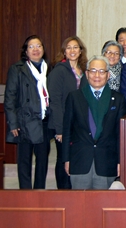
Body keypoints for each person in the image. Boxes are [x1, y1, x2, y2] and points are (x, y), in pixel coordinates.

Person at [62, 55, 126, 189]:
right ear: (86, 74)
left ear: (108, 75)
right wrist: (66, 159)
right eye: (93, 71)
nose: (97, 75)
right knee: (80, 204)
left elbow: (120, 134)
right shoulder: (75, 97)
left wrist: (120, 161)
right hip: (80, 160)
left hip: (106, 161)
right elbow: (67, 130)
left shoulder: (118, 99)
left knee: (103, 204)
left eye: (102, 71)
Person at [4, 35, 52, 189]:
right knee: (24, 160)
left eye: (38, 46)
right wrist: (13, 123)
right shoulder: (17, 69)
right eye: (31, 46)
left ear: (43, 49)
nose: (36, 49)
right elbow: (10, 98)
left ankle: (39, 191)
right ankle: (25, 193)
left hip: (44, 121)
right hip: (25, 121)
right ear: (26, 51)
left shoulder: (49, 69)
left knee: (42, 160)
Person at [48, 36, 88, 189]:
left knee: (76, 157)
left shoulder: (84, 70)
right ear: (64, 52)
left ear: (80, 51)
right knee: (63, 159)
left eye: (75, 47)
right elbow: (55, 102)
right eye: (69, 48)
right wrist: (59, 129)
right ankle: (63, 192)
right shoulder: (59, 71)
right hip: (64, 124)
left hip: (80, 124)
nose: (72, 50)